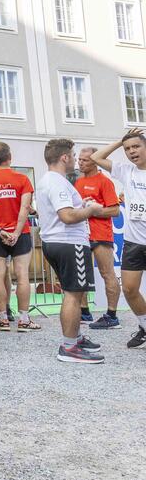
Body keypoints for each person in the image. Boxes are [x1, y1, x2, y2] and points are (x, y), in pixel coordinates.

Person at [36, 139, 105, 363]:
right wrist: (91, 209)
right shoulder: (56, 182)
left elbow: (65, 211)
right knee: (74, 295)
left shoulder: (52, 180)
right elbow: (66, 216)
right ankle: (69, 347)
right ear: (64, 157)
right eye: (73, 155)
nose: (75, 159)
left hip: (58, 241)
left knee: (72, 293)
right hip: (68, 242)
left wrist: (81, 206)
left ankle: (73, 339)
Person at [0, 142, 39, 332]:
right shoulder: (22, 179)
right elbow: (25, 208)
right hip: (21, 233)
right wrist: (16, 232)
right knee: (22, 275)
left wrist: (0, 230)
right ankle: (24, 319)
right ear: (9, 157)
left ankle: (2, 318)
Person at [91, 130, 146, 349]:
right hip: (134, 242)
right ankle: (144, 326)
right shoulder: (126, 171)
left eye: (136, 146)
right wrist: (119, 141)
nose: (132, 151)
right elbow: (96, 158)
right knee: (130, 290)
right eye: (128, 149)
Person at [75, 147, 122, 329]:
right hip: (81, 233)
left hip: (101, 234)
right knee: (81, 276)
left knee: (107, 273)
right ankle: (84, 312)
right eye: (79, 159)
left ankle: (112, 316)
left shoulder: (105, 181)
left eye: (85, 160)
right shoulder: (78, 182)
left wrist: (94, 209)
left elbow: (115, 210)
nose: (80, 163)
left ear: (95, 161)